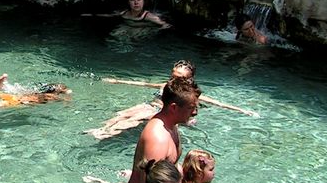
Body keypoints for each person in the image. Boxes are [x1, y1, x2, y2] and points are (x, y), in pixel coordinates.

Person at [85, 60, 257, 140]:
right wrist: (117, 81)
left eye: (180, 77)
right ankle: (102, 128)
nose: (174, 80)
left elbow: (219, 103)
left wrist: (242, 110)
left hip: (158, 111)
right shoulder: (167, 85)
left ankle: (106, 134)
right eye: (173, 76)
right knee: (123, 113)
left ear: (189, 80)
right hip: (149, 105)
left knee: (134, 119)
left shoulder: (191, 94)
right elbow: (143, 83)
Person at [117, 77, 200, 183]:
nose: (195, 113)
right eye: (191, 108)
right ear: (173, 108)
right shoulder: (158, 138)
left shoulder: (172, 125)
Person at [0, 74, 71, 114]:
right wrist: (67, 98)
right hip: (18, 101)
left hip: (15, 97)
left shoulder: (36, 93)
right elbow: (66, 99)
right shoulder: (51, 96)